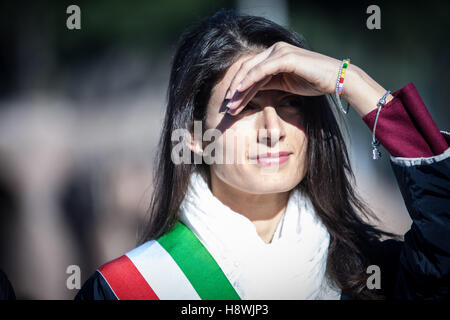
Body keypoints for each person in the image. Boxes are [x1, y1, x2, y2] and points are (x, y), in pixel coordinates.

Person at [75, 9, 449, 300]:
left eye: (290, 104)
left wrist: (349, 80)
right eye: (246, 107)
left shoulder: (371, 274)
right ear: (194, 137)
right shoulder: (128, 288)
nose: (273, 128)